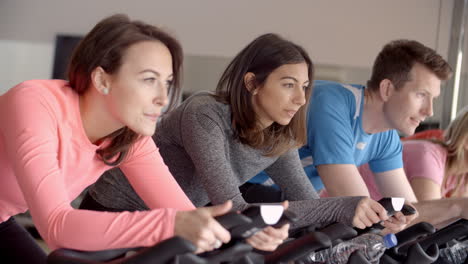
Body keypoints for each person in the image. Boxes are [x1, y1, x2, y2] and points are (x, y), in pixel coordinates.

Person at [82, 33, 400, 241]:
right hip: (113, 215)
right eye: (288, 84)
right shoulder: (205, 114)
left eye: (304, 87)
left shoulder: (277, 138)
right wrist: (344, 206)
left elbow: (308, 205)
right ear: (252, 83)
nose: (301, 99)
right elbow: (233, 207)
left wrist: (367, 223)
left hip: (174, 228)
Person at [0, 14, 236, 263]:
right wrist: (168, 225)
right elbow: (57, 227)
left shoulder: (128, 138)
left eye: (166, 83)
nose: (163, 99)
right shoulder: (34, 103)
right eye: (149, 80)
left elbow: (184, 214)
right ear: (102, 79)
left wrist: (241, 234)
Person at [291, 39, 467, 227]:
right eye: (421, 95)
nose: (429, 111)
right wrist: (455, 206)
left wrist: (458, 206)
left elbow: (409, 212)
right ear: (387, 89)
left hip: (289, 212)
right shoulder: (332, 105)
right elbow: (360, 209)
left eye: (433, 98)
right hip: (260, 199)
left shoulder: (387, 137)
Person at [360, 106, 468, 201]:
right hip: (353, 207)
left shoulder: (461, 174)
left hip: (377, 216)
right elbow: (426, 218)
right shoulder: (428, 156)